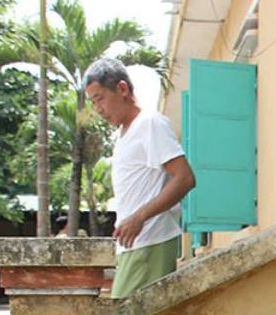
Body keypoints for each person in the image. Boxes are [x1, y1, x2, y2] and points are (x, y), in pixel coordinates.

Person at [84, 58, 196, 299]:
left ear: (122, 89)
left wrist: (139, 218)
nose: (98, 109)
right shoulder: (125, 133)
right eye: (94, 102)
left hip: (150, 242)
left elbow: (184, 178)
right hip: (135, 246)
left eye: (99, 98)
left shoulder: (150, 124)